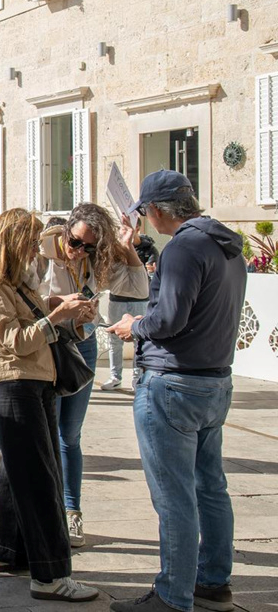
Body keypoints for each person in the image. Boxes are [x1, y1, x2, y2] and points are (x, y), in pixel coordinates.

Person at [107, 171, 246, 612]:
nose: (145, 218)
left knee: (174, 496)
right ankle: (212, 580)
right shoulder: (226, 247)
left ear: (159, 210)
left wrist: (134, 326)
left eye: (145, 211)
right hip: (213, 381)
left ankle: (173, 595)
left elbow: (168, 319)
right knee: (209, 487)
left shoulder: (184, 247)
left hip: (174, 382)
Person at [0, 208, 99, 603]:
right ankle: (50, 575)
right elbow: (18, 340)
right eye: (28, 241)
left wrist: (58, 306)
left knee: (18, 471)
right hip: (13, 383)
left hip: (31, 382)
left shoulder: (12, 281)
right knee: (41, 480)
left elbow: (28, 324)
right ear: (12, 241)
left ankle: (4, 553)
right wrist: (56, 315)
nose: (34, 249)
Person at [39, 202, 149, 547]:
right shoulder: (41, 250)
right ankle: (45, 511)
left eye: (89, 246)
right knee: (44, 432)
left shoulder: (96, 258)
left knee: (69, 434)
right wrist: (57, 302)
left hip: (81, 345)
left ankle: (72, 512)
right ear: (66, 229)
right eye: (75, 242)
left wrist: (127, 247)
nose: (79, 251)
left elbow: (138, 288)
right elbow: (20, 294)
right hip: (45, 344)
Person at [102, 231, 159, 391]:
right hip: (117, 298)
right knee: (114, 341)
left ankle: (137, 378)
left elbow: (153, 273)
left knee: (138, 341)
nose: (123, 233)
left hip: (140, 300)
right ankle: (115, 377)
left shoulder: (149, 250)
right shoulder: (114, 250)